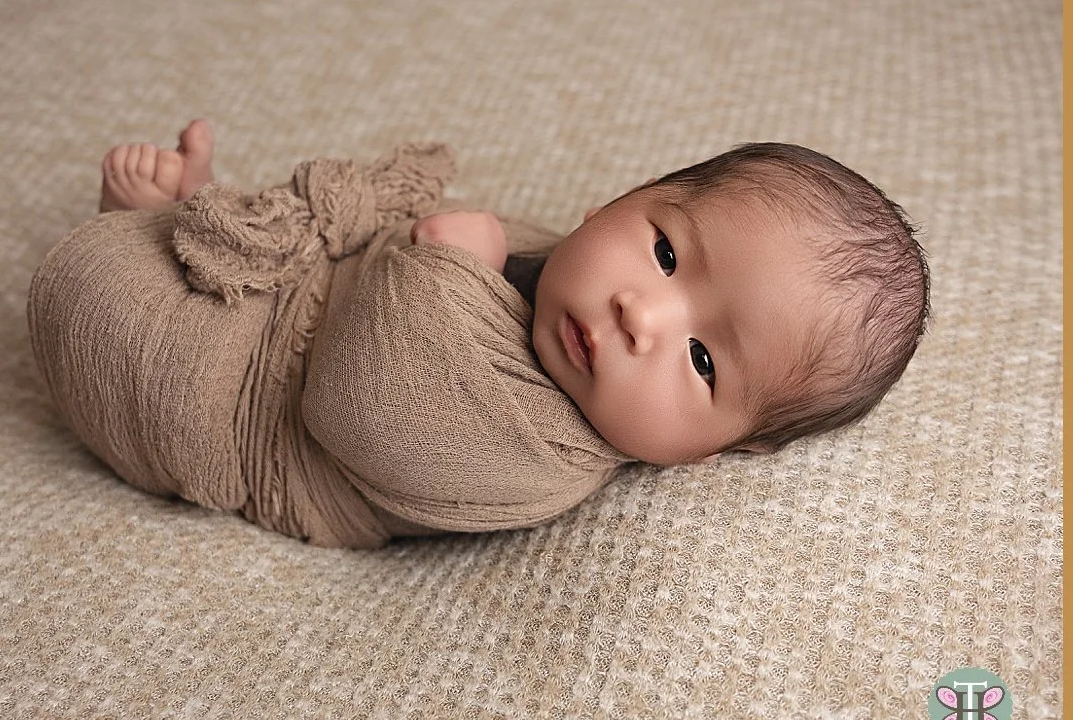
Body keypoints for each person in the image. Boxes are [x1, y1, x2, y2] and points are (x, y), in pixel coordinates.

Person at [99, 119, 930, 469]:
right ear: (613, 204)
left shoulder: (538, 454)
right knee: (265, 254)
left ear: (713, 452)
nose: (642, 314)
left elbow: (359, 412)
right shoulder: (557, 267)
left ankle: (133, 240)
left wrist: (448, 274)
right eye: (667, 250)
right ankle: (193, 220)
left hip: (255, 422)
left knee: (134, 333)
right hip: (305, 309)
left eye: (705, 360)